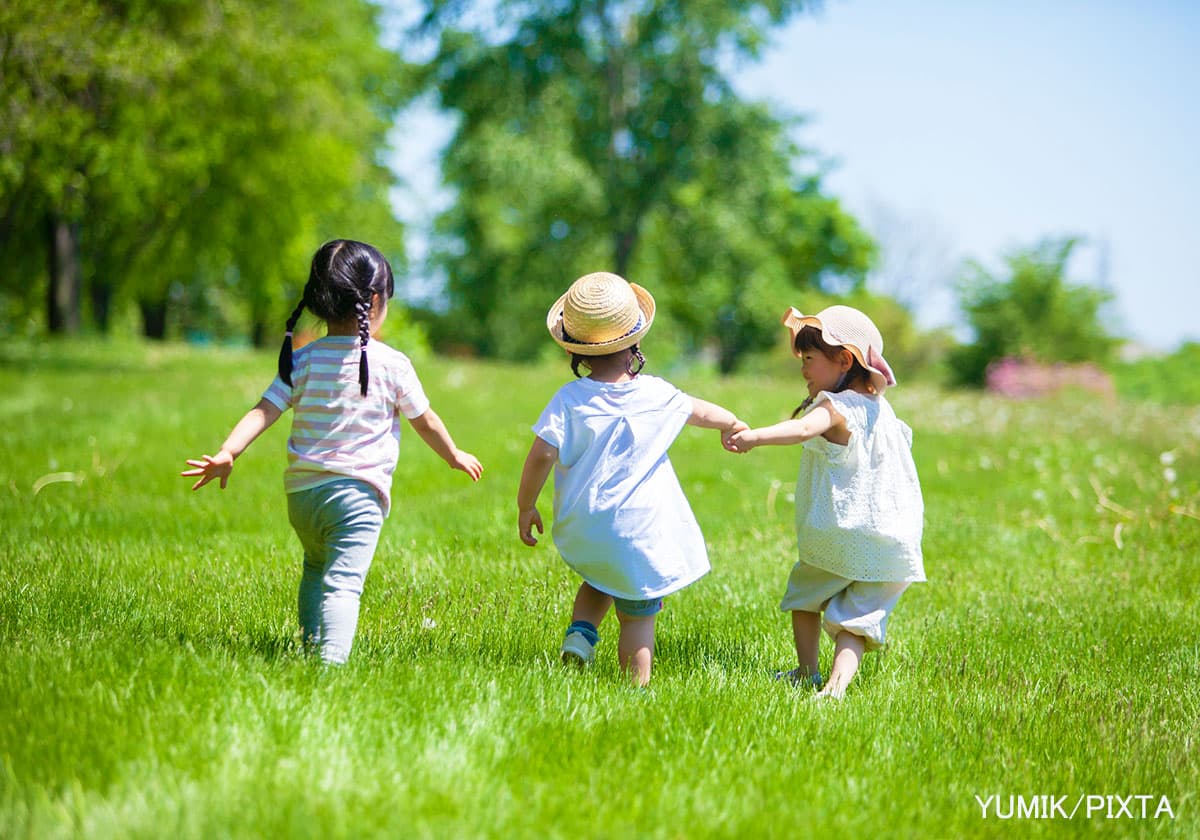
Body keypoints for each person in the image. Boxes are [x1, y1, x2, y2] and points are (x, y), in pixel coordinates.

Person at [182, 239, 482, 664]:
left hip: (302, 496)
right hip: (357, 497)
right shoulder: (392, 364)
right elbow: (425, 420)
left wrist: (228, 451)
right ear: (376, 301)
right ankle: (330, 665)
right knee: (344, 581)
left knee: (314, 567)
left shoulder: (302, 360)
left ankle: (309, 647)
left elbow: (264, 410)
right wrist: (453, 455)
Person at [517, 271, 746, 687]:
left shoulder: (569, 399)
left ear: (579, 352)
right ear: (635, 342)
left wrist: (526, 505)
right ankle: (634, 690)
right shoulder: (657, 393)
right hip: (639, 530)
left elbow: (541, 454)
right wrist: (731, 423)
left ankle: (581, 634)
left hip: (589, 524)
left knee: (599, 573)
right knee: (637, 614)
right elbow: (701, 411)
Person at [725, 305, 924, 699]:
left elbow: (802, 429)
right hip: (890, 540)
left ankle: (806, 671)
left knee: (805, 595)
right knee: (856, 620)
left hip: (839, 533)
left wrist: (754, 437)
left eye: (810, 359)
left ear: (844, 359)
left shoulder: (837, 408)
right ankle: (835, 688)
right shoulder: (882, 412)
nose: (803, 370)